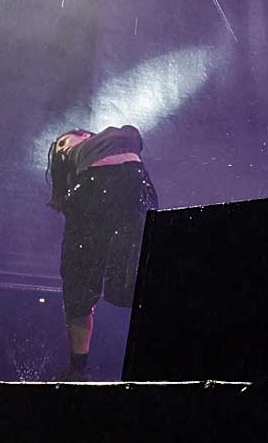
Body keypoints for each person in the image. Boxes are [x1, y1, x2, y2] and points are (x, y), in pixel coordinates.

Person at [46, 125, 158, 381]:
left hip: (130, 188)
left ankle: (78, 368)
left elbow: (132, 137)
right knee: (78, 282)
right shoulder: (82, 164)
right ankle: (77, 368)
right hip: (102, 191)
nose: (64, 149)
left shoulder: (116, 136)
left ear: (85, 135)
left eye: (65, 142)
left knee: (130, 276)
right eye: (61, 148)